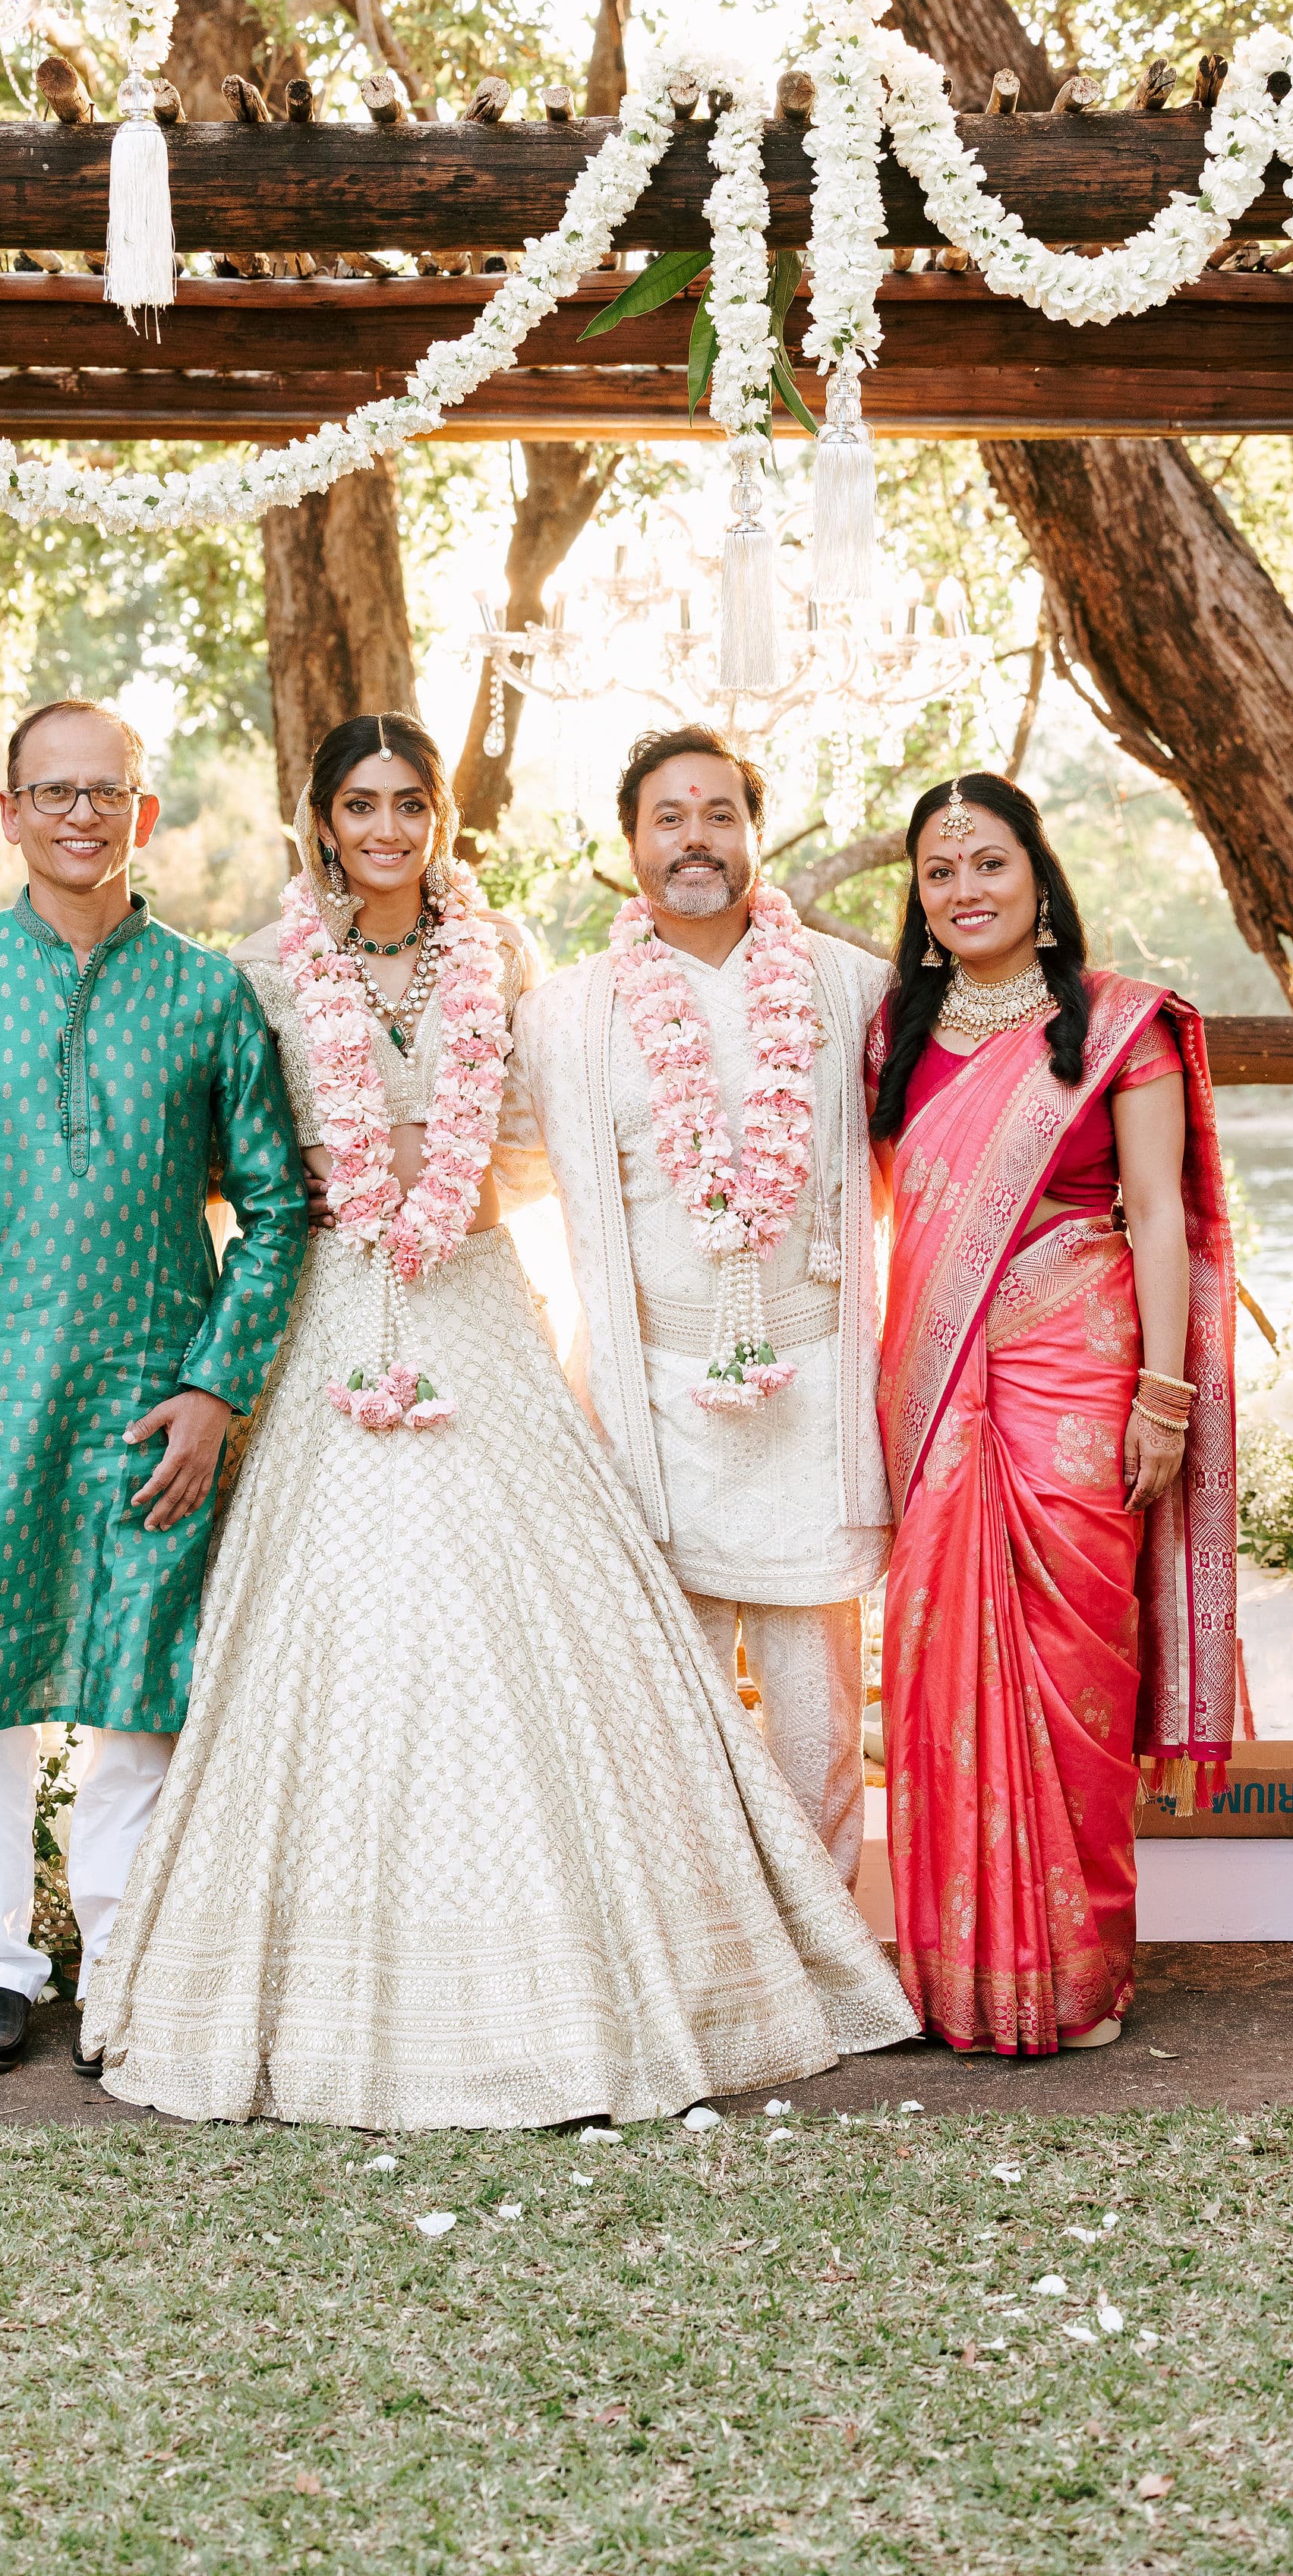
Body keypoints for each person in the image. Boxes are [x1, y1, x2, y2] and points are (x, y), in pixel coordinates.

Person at [84, 712, 916, 2126]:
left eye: (412, 803)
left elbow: (553, 1138)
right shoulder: (265, 972)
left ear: (442, 823)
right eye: (362, 806)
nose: (390, 829)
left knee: (552, 1611)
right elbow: (231, 1158)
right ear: (324, 825)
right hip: (340, 1307)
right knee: (343, 1615)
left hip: (476, 1295)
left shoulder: (511, 962)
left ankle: (648, 1963)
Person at [0, 697, 307, 2079]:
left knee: (136, 1691)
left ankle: (125, 1962)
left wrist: (217, 1389)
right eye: (48, 792)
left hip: (147, 1395)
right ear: (9, 814)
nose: (76, 813)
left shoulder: (206, 989)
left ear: (142, 814)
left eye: (103, 791)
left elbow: (280, 1207)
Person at [868, 772, 1237, 2059]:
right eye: (937, 872)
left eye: (988, 866)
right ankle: (958, 1975)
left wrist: (1165, 1393)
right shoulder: (891, 1037)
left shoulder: (1119, 1027)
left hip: (1077, 1382)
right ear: (917, 899)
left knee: (1078, 1670)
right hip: (936, 1393)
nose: (963, 890)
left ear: (1038, 881)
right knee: (932, 1663)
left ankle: (1075, 1976)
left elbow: (1157, 1215)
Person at [501, 726, 891, 1886]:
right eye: (668, 819)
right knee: (667, 1714)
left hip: (813, 1392)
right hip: (648, 1398)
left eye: (719, 815)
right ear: (630, 846)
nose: (694, 841)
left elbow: (922, 1158)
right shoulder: (562, 1017)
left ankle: (826, 1945)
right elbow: (505, 1171)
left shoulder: (852, 988)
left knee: (820, 1726)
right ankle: (704, 1954)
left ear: (756, 837)